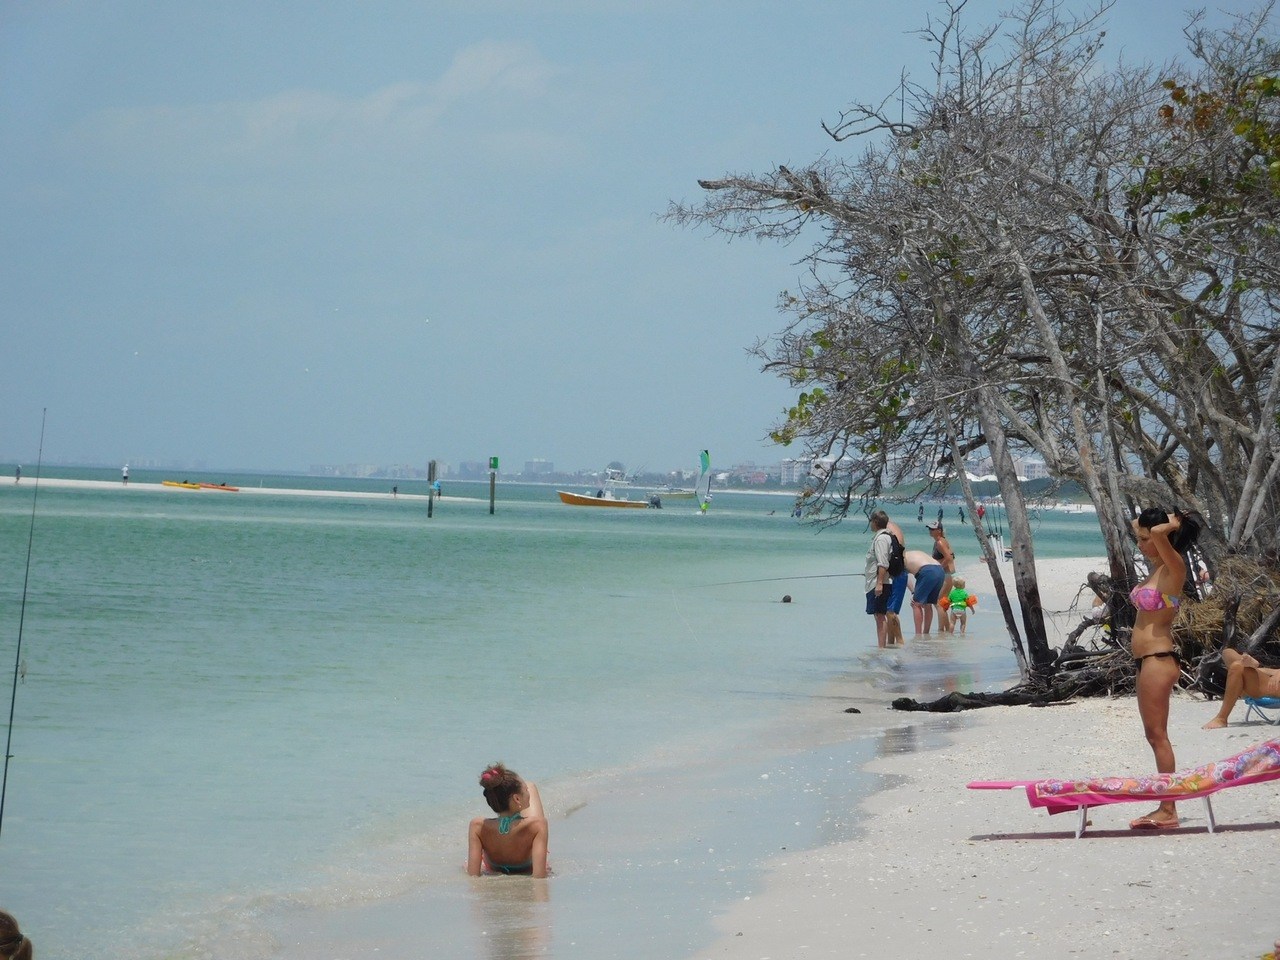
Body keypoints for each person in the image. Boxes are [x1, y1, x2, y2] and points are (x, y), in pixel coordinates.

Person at [1127, 506, 1200, 830]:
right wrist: (1156, 523)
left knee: (1158, 736)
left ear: (1165, 537)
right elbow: (1139, 526)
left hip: (1159, 659)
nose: (1141, 544)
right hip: (1146, 661)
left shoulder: (1174, 567)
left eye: (1145, 539)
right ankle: (1166, 805)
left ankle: (1168, 808)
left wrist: (1167, 526)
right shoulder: (1157, 567)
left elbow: (1156, 534)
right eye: (1140, 539)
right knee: (1152, 734)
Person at [467, 763, 549, 878]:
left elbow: (473, 875)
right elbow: (539, 876)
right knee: (531, 785)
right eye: (525, 790)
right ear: (517, 798)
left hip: (494, 867)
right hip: (526, 867)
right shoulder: (538, 825)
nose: (527, 791)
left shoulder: (477, 826)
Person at [1202, 648, 1280, 729]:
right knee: (1227, 652)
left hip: (1272, 689)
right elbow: (1270, 671)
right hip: (1268, 682)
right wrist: (1253, 666)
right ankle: (1250, 663)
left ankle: (1221, 718)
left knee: (1237, 666)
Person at [864, 510, 894, 648]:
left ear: (875, 522)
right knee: (879, 615)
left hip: (880, 582)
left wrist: (879, 583)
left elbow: (883, 563)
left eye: (871, 521)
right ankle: (882, 647)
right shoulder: (884, 537)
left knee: (880, 616)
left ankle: (881, 648)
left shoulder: (881, 539)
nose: (870, 524)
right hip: (878, 580)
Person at [903, 549, 946, 634]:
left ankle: (918, 634)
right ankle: (926, 632)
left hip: (928, 571)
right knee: (928, 603)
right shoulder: (911, 553)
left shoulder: (901, 559)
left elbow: (905, 578)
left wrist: (913, 592)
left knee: (916, 604)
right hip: (940, 570)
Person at [925, 520, 956, 633]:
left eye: (933, 529)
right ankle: (946, 630)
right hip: (947, 575)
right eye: (929, 529)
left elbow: (949, 558)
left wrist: (938, 569)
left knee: (938, 603)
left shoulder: (940, 542)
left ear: (939, 530)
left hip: (945, 576)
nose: (930, 531)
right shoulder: (940, 541)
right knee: (941, 603)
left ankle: (941, 631)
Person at [883, 519, 908, 646]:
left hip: (897, 573)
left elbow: (895, 553)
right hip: (895, 573)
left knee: (890, 611)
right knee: (888, 611)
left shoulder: (889, 529)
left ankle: (900, 642)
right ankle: (890, 643)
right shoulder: (892, 528)